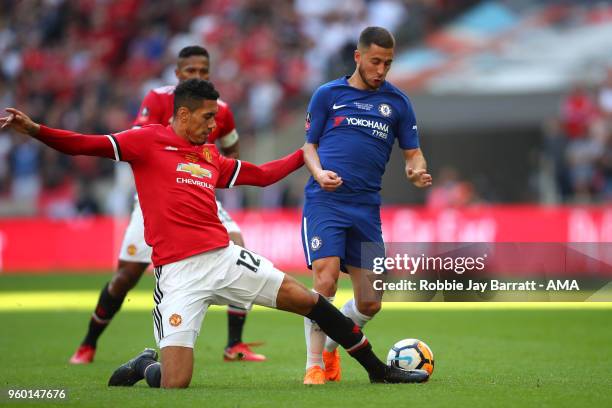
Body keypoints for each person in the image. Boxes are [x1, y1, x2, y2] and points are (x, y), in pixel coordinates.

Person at [1, 79, 429, 388]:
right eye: (208, 118)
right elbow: (84, 144)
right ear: (183, 113)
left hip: (225, 258)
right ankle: (144, 367)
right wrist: (36, 130)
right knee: (175, 383)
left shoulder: (209, 156)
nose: (214, 127)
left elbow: (260, 176)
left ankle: (378, 370)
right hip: (178, 275)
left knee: (311, 301)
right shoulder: (144, 141)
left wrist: (303, 155)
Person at [69, 46, 265, 365]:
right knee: (126, 277)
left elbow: (231, 146)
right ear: (177, 74)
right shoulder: (157, 99)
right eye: (191, 71)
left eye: (204, 71)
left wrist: (220, 170)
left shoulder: (221, 109)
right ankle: (87, 344)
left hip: (197, 192)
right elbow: (135, 142)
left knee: (240, 244)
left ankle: (234, 344)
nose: (198, 76)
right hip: (154, 202)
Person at [301, 26, 432, 385]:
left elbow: (413, 154)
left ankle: (331, 345)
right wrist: (319, 171)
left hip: (366, 208)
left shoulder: (398, 103)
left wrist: (416, 170)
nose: (381, 70)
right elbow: (308, 146)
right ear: (358, 57)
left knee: (371, 302)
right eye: (375, 61)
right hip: (325, 201)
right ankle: (313, 365)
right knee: (324, 280)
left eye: (388, 63)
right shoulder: (328, 95)